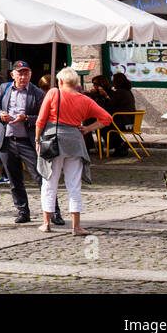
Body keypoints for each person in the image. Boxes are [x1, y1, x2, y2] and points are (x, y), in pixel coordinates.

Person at [35, 67, 112, 235]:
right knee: (74, 184)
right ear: (76, 82)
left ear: (60, 81)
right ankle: (76, 226)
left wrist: (37, 139)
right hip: (75, 143)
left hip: (53, 142)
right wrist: (87, 128)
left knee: (49, 182)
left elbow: (40, 120)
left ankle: (46, 223)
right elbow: (107, 119)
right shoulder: (85, 99)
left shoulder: (54, 93)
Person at [0, 63, 61, 226]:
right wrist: (0, 114)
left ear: (30, 75)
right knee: (14, 179)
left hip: (28, 141)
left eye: (26, 74)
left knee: (41, 177)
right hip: (7, 140)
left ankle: (54, 211)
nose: (23, 78)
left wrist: (28, 118)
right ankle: (22, 210)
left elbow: (46, 117)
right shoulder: (4, 88)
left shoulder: (36, 93)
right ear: (12, 75)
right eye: (20, 74)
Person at [105, 73, 137, 158]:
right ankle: (119, 145)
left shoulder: (121, 92)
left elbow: (111, 104)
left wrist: (105, 95)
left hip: (124, 122)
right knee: (106, 125)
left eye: (113, 81)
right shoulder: (127, 91)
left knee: (104, 126)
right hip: (128, 120)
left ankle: (120, 145)